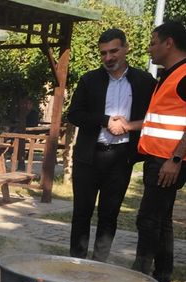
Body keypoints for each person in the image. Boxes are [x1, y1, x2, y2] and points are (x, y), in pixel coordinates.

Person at [66, 28, 156, 262]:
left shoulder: (145, 82)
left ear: (126, 48)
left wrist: (128, 126)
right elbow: (74, 114)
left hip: (121, 157)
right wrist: (106, 121)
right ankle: (76, 262)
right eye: (104, 53)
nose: (109, 57)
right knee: (81, 213)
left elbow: (154, 117)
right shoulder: (89, 80)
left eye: (114, 51)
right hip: (88, 157)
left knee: (109, 215)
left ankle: (99, 265)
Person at [131, 21, 186, 282]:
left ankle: (137, 281)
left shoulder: (184, 74)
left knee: (148, 220)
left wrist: (175, 159)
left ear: (169, 43)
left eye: (153, 41)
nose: (149, 47)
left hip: (169, 161)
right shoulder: (168, 75)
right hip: (159, 158)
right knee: (161, 220)